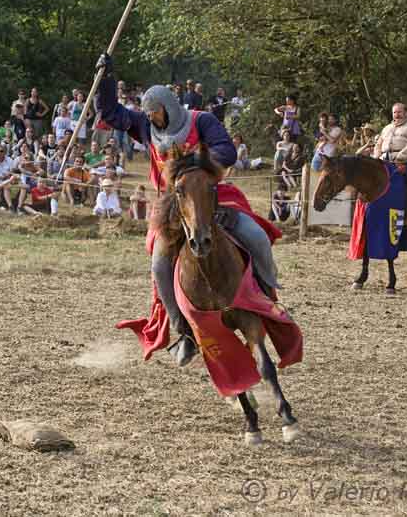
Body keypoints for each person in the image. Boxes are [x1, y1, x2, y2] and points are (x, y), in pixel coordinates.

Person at [96, 52, 280, 367]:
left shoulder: (200, 120)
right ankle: (182, 328)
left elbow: (227, 151)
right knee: (158, 265)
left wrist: (193, 162)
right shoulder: (144, 126)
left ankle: (267, 294)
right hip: (171, 204)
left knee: (256, 236)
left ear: (166, 108)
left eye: (154, 113)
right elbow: (111, 113)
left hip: (210, 195)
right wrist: (106, 79)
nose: (150, 118)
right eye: (148, 114)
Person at [373, 102, 407, 217]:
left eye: (399, 112)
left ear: (406, 112)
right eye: (394, 112)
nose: (396, 115)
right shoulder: (387, 128)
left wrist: (400, 156)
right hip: (385, 160)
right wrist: (376, 158)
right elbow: (378, 144)